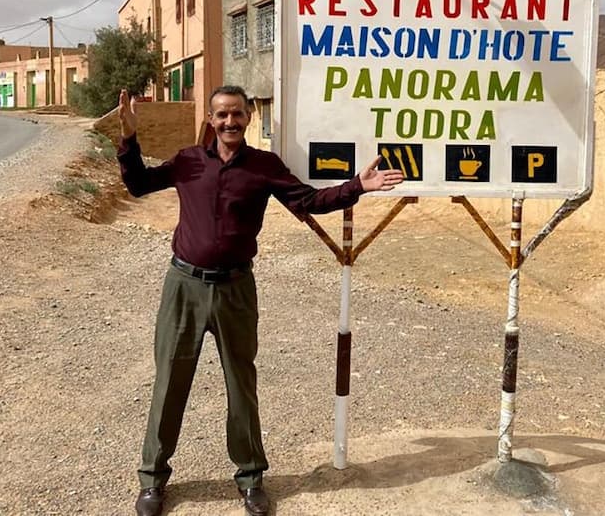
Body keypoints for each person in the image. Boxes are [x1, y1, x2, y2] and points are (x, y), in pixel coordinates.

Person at [117, 85, 404, 516]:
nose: (229, 121)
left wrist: (357, 186)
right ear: (211, 120)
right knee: (169, 383)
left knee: (241, 386)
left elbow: (309, 200)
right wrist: (129, 138)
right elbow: (138, 185)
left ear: (249, 117)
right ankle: (152, 479)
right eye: (221, 114)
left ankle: (251, 478)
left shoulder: (264, 166)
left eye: (236, 114)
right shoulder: (188, 161)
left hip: (235, 289)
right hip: (184, 287)